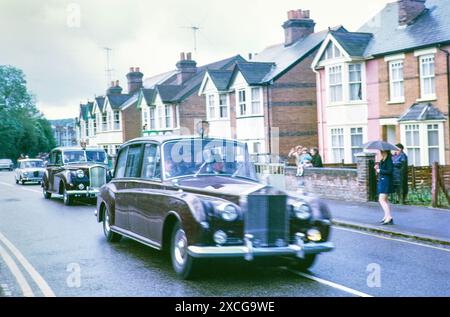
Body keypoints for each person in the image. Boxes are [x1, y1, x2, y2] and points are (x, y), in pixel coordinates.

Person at [376, 150, 394, 225]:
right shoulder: (383, 160)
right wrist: (377, 167)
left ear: (386, 152)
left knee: (381, 199)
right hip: (383, 181)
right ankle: (387, 216)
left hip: (386, 182)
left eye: (382, 152)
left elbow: (390, 171)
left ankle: (388, 217)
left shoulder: (389, 160)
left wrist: (380, 170)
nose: (381, 153)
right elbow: (382, 169)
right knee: (385, 200)